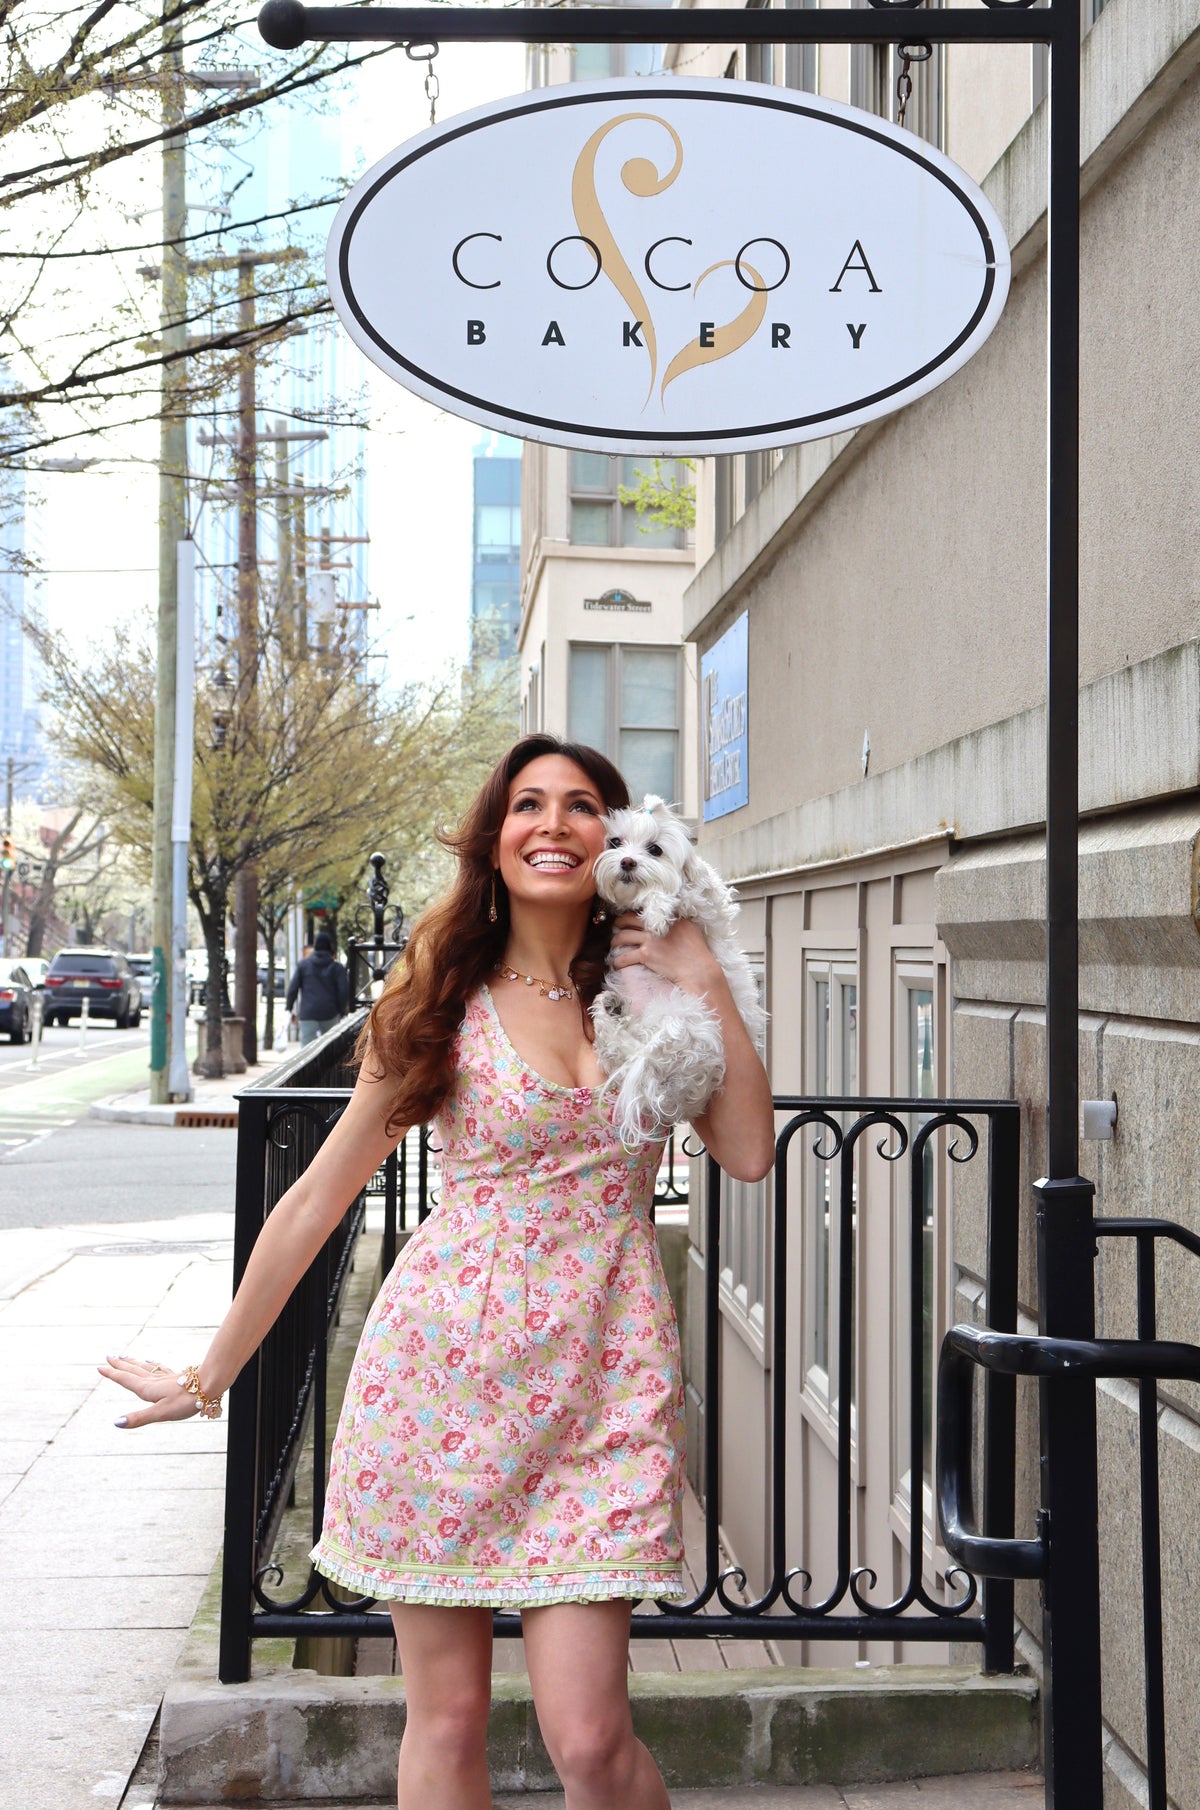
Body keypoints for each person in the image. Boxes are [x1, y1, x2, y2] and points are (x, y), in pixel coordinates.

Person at [100, 735, 776, 1810]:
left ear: (614, 837)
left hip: (606, 1382)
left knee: (594, 1740)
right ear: (495, 840)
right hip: (442, 1386)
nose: (553, 823)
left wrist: (700, 971)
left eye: (581, 805)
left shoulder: (649, 987)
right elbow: (318, 1195)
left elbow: (747, 1149)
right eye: (528, 805)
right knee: (449, 1717)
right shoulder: (443, 990)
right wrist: (206, 1376)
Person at [285, 930, 350, 1044]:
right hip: (330, 1012)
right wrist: (341, 1010)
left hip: (308, 1013)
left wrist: (289, 1008)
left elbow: (293, 989)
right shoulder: (337, 968)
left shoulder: (303, 965)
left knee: (307, 1048)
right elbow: (343, 991)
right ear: (330, 946)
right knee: (330, 1046)